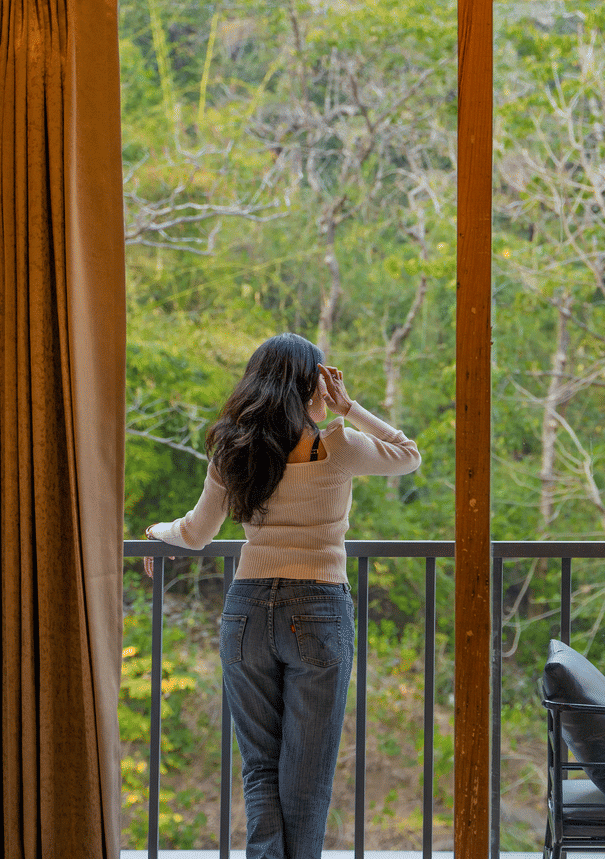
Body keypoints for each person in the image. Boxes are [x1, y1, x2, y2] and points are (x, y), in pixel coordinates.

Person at [144, 332, 421, 859]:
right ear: (313, 384)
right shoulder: (337, 445)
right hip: (317, 609)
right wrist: (350, 407)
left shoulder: (235, 447)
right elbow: (408, 456)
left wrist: (159, 533)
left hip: (247, 611)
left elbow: (197, 532)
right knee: (307, 775)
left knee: (261, 766)